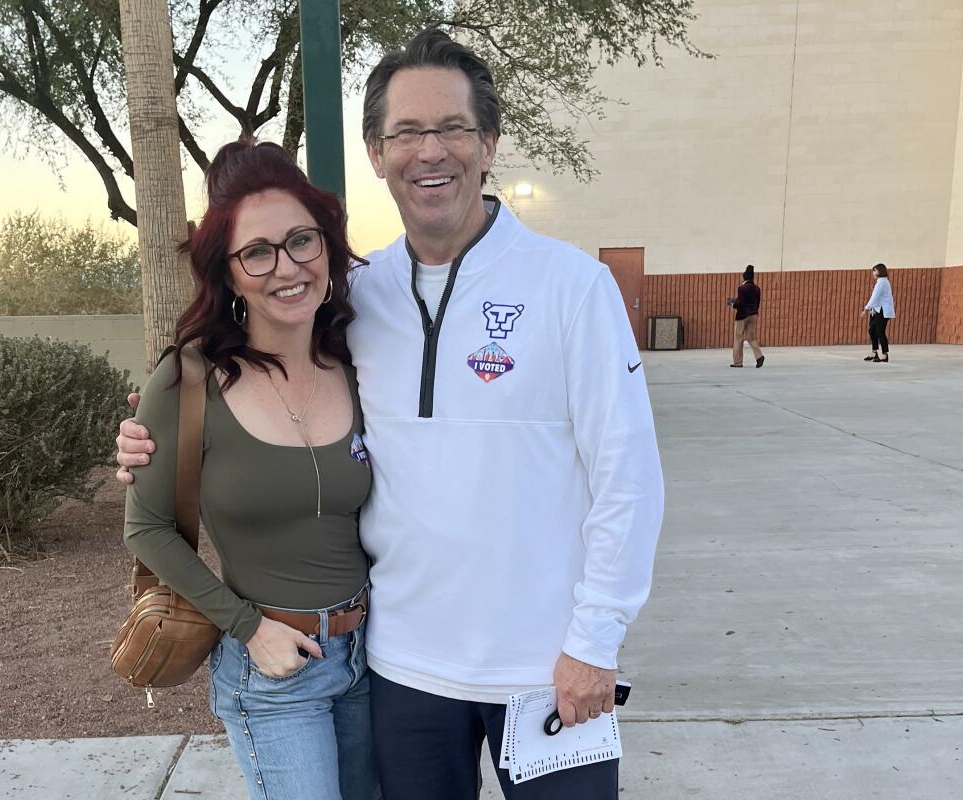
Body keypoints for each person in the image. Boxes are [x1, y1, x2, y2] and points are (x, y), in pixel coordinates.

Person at [118, 28, 664, 800]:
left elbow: (629, 480)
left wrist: (595, 643)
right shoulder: (356, 295)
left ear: (490, 142)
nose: (429, 151)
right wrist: (150, 434)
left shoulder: (572, 288)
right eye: (405, 132)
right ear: (376, 152)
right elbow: (253, 366)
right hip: (403, 671)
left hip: (546, 669)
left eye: (452, 128)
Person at [122, 140, 379, 800]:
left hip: (374, 658)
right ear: (229, 274)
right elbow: (146, 528)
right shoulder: (189, 380)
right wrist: (249, 629)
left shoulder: (360, 361)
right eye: (257, 252)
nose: (286, 266)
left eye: (302, 240)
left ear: (327, 246)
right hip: (273, 669)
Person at [728, 264, 765, 368]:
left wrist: (732, 304)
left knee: (738, 338)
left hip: (742, 316)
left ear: (744, 277)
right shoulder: (757, 289)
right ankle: (759, 356)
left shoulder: (742, 288)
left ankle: (738, 362)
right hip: (753, 315)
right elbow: (757, 303)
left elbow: (741, 303)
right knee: (751, 337)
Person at [861, 262, 895, 363]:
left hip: (882, 311)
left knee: (880, 332)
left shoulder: (882, 282)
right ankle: (874, 352)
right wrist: (871, 309)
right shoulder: (880, 282)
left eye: (874, 270)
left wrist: (866, 309)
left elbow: (874, 297)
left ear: (880, 271)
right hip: (876, 310)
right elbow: (877, 298)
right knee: (872, 330)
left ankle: (884, 355)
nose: (873, 273)